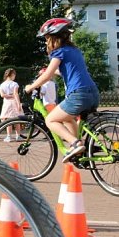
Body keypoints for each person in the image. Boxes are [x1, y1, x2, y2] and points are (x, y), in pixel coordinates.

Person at [24, 18, 99, 163]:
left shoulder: (59, 52)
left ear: (53, 37)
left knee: (50, 120)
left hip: (78, 95)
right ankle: (77, 148)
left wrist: (31, 86)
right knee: (68, 118)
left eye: (46, 38)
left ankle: (76, 143)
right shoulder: (73, 50)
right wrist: (50, 71)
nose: (46, 42)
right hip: (92, 93)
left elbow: (47, 76)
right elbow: (66, 71)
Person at [0, 68, 22, 141]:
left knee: (8, 120)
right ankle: (18, 136)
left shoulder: (2, 84)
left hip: (6, 103)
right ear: (12, 75)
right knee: (17, 119)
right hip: (14, 102)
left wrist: (8, 95)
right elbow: (16, 94)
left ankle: (9, 136)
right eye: (14, 75)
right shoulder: (14, 84)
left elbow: (2, 95)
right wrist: (18, 104)